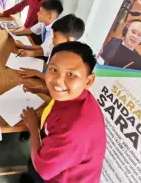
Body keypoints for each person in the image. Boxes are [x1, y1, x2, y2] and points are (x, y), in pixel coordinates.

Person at [20, 41, 106, 183]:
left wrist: (33, 128)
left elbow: (42, 169)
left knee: (34, 171)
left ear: (88, 81)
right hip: (59, 165)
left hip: (60, 178)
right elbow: (61, 94)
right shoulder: (77, 96)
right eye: (53, 70)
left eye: (71, 74)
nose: (58, 81)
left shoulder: (74, 131)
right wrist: (42, 90)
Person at [19, 14, 86, 82]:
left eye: (55, 36)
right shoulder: (57, 47)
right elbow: (46, 54)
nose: (52, 39)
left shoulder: (70, 61)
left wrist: (36, 73)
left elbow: (56, 80)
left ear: (69, 40)